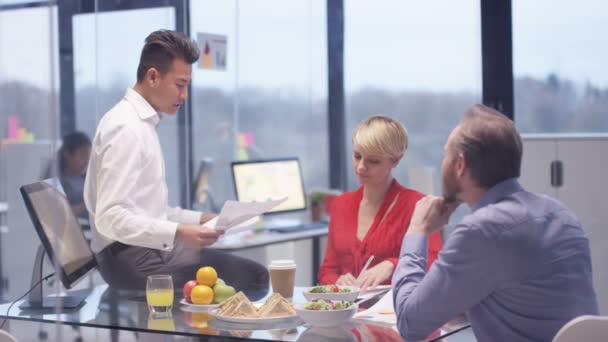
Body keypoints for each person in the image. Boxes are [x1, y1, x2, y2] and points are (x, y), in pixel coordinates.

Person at [84, 30, 268, 296]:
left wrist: (204, 219)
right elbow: (110, 218)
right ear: (153, 77)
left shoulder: (142, 124)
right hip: (129, 260)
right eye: (179, 85)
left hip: (141, 249)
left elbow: (149, 213)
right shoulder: (126, 128)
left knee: (241, 273)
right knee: (254, 278)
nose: (184, 96)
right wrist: (179, 233)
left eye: (187, 86)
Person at [392, 104, 598, 341]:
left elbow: (410, 323)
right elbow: (536, 302)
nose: (443, 163)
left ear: (460, 165)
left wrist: (417, 230)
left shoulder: (480, 231)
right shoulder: (561, 214)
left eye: (445, 154)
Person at [318, 115, 443, 290]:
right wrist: (337, 282)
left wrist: (393, 264)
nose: (361, 167)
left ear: (396, 160)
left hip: (393, 313)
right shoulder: (340, 204)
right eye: (357, 156)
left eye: (373, 161)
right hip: (346, 312)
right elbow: (327, 270)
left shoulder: (418, 206)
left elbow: (434, 264)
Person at [45, 132, 92, 219]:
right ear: (68, 154)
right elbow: (57, 212)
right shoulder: (55, 180)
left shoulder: (85, 176)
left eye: (89, 156)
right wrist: (86, 205)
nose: (87, 161)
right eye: (83, 155)